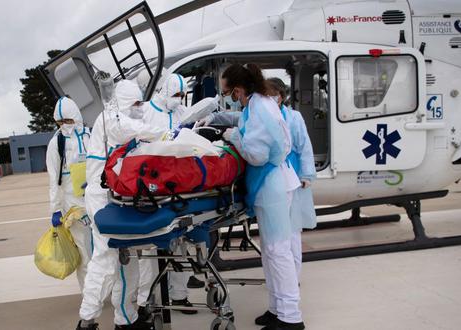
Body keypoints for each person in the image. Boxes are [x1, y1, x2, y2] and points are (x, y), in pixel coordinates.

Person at [219, 64, 305, 330]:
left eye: (226, 92)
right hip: (275, 182)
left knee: (279, 251)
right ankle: (277, 308)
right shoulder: (259, 103)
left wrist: (233, 137)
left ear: (237, 90)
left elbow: (256, 154)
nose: (227, 98)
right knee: (270, 251)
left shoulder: (259, 108)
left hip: (274, 185)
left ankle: (291, 317)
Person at [78, 79, 168, 330]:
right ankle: (87, 320)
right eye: (137, 103)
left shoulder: (120, 120)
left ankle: (126, 319)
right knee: (105, 259)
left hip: (117, 197)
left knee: (126, 261)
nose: (141, 107)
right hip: (102, 199)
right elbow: (130, 128)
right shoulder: (110, 120)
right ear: (126, 103)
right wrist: (163, 132)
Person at [136, 73, 219, 314]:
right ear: (164, 92)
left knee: (181, 242)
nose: (179, 99)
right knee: (150, 251)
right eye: (175, 95)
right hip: (154, 185)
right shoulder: (147, 111)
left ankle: (179, 296)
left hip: (179, 185)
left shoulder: (182, 111)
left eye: (182, 95)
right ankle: (146, 300)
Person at [255, 78, 316, 327]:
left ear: (281, 95)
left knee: (290, 241)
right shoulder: (263, 116)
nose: (269, 99)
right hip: (273, 186)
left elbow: (304, 147)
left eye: (272, 95)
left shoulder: (293, 117)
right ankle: (278, 305)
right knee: (275, 247)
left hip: (293, 181)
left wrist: (307, 175)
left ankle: (292, 289)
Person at [46, 96, 93, 323]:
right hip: (71, 205)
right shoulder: (56, 143)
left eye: (69, 119)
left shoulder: (90, 135)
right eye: (61, 120)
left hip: (94, 200)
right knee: (83, 251)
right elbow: (53, 179)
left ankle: (103, 289)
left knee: (101, 249)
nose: (65, 124)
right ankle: (89, 296)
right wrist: (55, 209)